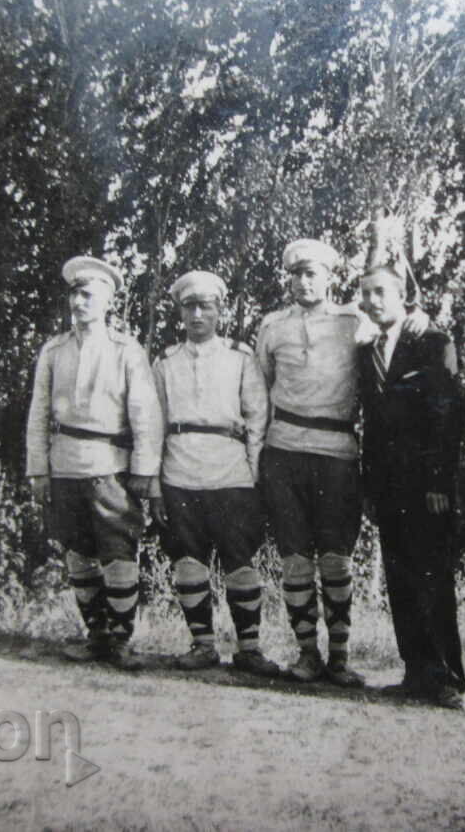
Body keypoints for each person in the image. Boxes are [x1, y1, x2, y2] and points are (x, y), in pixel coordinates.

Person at [255, 239, 425, 686]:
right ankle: (307, 654)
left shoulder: (355, 321)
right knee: (294, 558)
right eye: (297, 274)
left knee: (336, 560)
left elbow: (396, 331)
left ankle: (340, 658)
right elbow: (262, 390)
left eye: (313, 273)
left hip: (337, 454)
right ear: (288, 278)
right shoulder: (271, 327)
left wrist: (419, 317)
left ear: (329, 278)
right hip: (284, 449)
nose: (304, 281)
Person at [25, 255, 164, 670]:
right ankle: (96, 635)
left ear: (107, 303)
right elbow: (39, 412)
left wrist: (144, 470)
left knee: (118, 553)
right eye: (74, 294)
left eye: (88, 295)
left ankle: (121, 639)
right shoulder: (54, 350)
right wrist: (38, 469)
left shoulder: (127, 351)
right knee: (77, 553)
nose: (79, 302)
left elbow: (145, 415)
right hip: (65, 465)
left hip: (111, 467)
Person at [149, 271, 280, 677]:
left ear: (220, 309)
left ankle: (250, 649)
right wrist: (153, 483)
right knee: (188, 560)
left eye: (206, 305)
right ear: (181, 312)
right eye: (190, 306)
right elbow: (153, 424)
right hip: (180, 471)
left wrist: (256, 477)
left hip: (231, 473)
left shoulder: (241, 358)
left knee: (240, 561)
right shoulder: (165, 363)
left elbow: (258, 419)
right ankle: (202, 645)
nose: (198, 314)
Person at [356, 265, 465, 709]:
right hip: (386, 487)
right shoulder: (366, 352)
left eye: (381, 291)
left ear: (403, 296)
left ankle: (448, 677)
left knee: (432, 578)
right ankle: (415, 672)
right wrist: (368, 487)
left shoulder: (432, 342)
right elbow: (372, 424)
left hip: (426, 488)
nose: (372, 300)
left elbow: (447, 415)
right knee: (400, 578)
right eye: (366, 294)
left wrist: (439, 480)